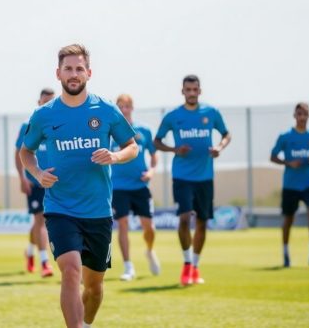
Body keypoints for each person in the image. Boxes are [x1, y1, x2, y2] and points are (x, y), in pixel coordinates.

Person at [20, 44, 138, 328]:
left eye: (79, 69)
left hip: (97, 211)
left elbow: (132, 147)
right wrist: (36, 173)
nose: (74, 74)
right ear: (58, 73)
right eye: (68, 69)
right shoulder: (43, 115)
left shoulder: (106, 109)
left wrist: (115, 156)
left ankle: (85, 323)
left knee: (94, 287)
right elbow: (26, 152)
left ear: (89, 73)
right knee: (71, 271)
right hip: (60, 207)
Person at [154, 75, 231, 286]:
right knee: (184, 217)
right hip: (182, 176)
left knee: (203, 223)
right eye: (187, 89)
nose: (191, 93)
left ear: (199, 91)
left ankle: (195, 266)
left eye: (194, 89)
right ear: (182, 91)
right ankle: (187, 264)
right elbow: (157, 141)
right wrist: (174, 149)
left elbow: (226, 134)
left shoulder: (211, 112)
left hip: (205, 177)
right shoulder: (173, 116)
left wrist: (219, 148)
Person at [270, 102, 309, 268]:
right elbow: (273, 157)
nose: (302, 117)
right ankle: (286, 253)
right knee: (288, 219)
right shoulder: (285, 136)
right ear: (294, 116)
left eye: (305, 114)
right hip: (290, 185)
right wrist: (288, 163)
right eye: (299, 114)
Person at [111, 94, 160, 281]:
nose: (123, 109)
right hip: (118, 186)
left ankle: (149, 250)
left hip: (140, 185)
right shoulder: (110, 131)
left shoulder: (143, 130)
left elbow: (154, 156)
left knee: (149, 227)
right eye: (120, 106)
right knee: (122, 224)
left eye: (127, 106)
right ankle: (128, 267)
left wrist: (151, 172)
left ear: (132, 108)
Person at [15, 88, 55, 277]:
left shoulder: (60, 125)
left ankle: (30, 252)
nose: (47, 105)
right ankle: (45, 262)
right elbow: (20, 153)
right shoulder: (28, 125)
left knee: (40, 222)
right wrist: (22, 177)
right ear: (38, 102)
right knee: (41, 221)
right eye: (44, 102)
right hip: (35, 182)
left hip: (55, 182)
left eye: (51, 102)